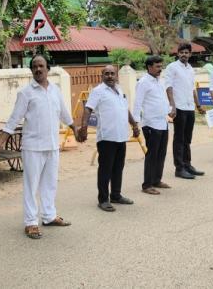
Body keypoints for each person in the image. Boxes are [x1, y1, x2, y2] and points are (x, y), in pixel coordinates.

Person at [0, 55, 77, 239]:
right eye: (34, 66)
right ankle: (31, 222)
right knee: (31, 186)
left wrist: (74, 128)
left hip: (52, 145)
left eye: (41, 66)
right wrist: (0, 142)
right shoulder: (26, 93)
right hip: (32, 147)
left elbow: (64, 113)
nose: (38, 69)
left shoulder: (55, 90)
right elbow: (13, 119)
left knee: (50, 184)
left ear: (48, 68)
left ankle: (48, 216)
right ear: (31, 70)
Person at [78, 65, 140, 211]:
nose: (110, 76)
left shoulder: (119, 90)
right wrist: (84, 127)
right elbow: (88, 109)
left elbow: (126, 109)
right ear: (102, 75)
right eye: (107, 74)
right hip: (106, 137)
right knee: (106, 169)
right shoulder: (98, 91)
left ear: (116, 75)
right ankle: (103, 199)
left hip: (121, 136)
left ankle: (116, 195)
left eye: (112, 73)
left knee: (118, 168)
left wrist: (134, 125)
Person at [133, 56, 174, 193]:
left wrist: (169, 110)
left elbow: (161, 99)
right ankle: (147, 185)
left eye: (161, 66)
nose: (160, 69)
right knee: (152, 154)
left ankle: (157, 180)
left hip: (163, 122)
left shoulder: (159, 81)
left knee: (161, 153)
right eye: (157, 66)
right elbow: (137, 103)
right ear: (149, 67)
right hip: (150, 123)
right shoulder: (143, 82)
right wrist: (135, 123)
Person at [165, 43, 206, 179]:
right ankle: (179, 168)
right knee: (179, 138)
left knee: (187, 138)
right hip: (179, 107)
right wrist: (173, 106)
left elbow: (192, 88)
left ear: (190, 54)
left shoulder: (190, 69)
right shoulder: (172, 67)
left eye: (186, 52)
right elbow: (168, 87)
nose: (184, 54)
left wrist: (198, 104)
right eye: (181, 52)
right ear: (178, 54)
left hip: (189, 107)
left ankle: (187, 164)